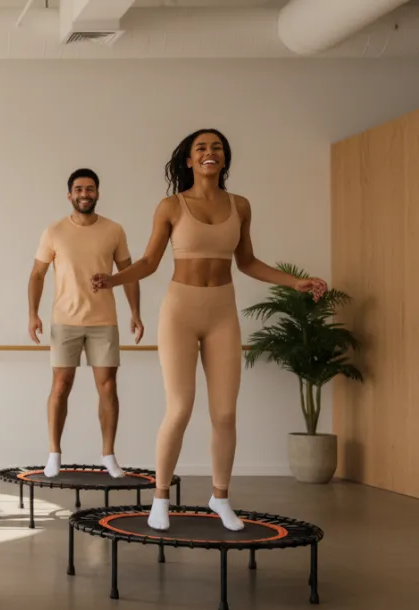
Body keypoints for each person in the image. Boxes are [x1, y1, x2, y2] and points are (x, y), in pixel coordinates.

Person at [91, 129, 327, 531]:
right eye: (201, 148)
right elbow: (149, 262)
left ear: (224, 158)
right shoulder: (171, 206)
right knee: (180, 408)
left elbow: (248, 262)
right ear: (188, 160)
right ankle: (160, 498)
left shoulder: (241, 206)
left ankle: (220, 498)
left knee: (224, 413)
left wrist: (294, 282)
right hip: (180, 310)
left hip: (222, 312)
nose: (209, 153)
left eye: (216, 147)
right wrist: (112, 281)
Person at [29, 168, 142, 480]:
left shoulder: (114, 230)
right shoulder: (53, 231)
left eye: (90, 189)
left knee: (108, 387)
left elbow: (128, 272)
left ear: (97, 193)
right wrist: (32, 314)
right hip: (64, 321)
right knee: (60, 386)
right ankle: (54, 454)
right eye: (78, 189)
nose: (84, 194)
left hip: (103, 322)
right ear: (69, 195)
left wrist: (135, 313)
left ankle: (108, 454)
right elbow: (37, 274)